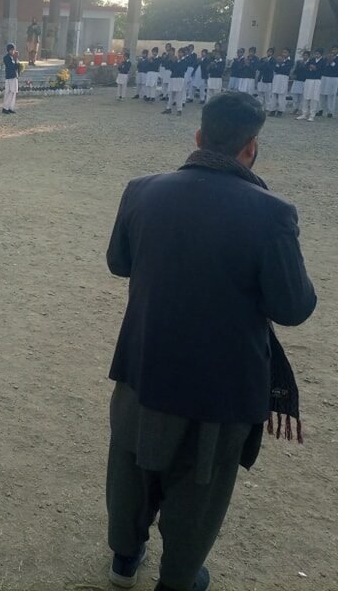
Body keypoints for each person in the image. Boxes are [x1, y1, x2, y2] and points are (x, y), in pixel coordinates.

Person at [105, 91, 316, 591]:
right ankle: (178, 578)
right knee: (201, 484)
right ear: (252, 147)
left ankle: (123, 560)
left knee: (131, 463)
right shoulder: (272, 213)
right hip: (221, 382)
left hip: (145, 362)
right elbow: (293, 308)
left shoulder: (142, 190)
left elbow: (119, 263)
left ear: (198, 136)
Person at [297, 49, 322, 122]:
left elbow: (322, 70)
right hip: (308, 79)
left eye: (318, 53)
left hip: (316, 80)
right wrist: (310, 68)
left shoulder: (323, 61)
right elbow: (306, 67)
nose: (316, 55)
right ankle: (304, 114)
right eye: (315, 53)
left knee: (314, 98)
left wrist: (315, 68)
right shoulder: (311, 60)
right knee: (306, 97)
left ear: (321, 54)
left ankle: (312, 115)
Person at [271, 48, 293, 118]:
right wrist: (279, 64)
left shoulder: (290, 62)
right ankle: (272, 110)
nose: (283, 54)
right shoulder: (278, 60)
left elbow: (286, 70)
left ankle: (280, 111)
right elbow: (275, 69)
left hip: (284, 78)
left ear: (289, 54)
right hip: (277, 77)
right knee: (274, 94)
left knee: (282, 95)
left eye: (285, 52)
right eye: (283, 52)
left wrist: (281, 63)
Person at [318, 47, 338, 119]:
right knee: (321, 93)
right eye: (333, 49)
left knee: (331, 95)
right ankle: (320, 109)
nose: (333, 51)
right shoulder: (327, 57)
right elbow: (322, 66)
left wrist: (331, 62)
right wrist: (327, 61)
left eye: (335, 49)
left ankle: (330, 111)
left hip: (333, 78)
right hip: (324, 76)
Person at [3, 43, 20, 114]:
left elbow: (17, 66)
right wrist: (15, 59)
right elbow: (11, 67)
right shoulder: (6, 58)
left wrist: (16, 59)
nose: (12, 51)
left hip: (14, 77)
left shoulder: (14, 57)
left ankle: (11, 107)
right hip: (9, 77)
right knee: (9, 93)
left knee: (13, 93)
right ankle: (5, 108)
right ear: (8, 50)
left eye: (13, 50)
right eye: (11, 50)